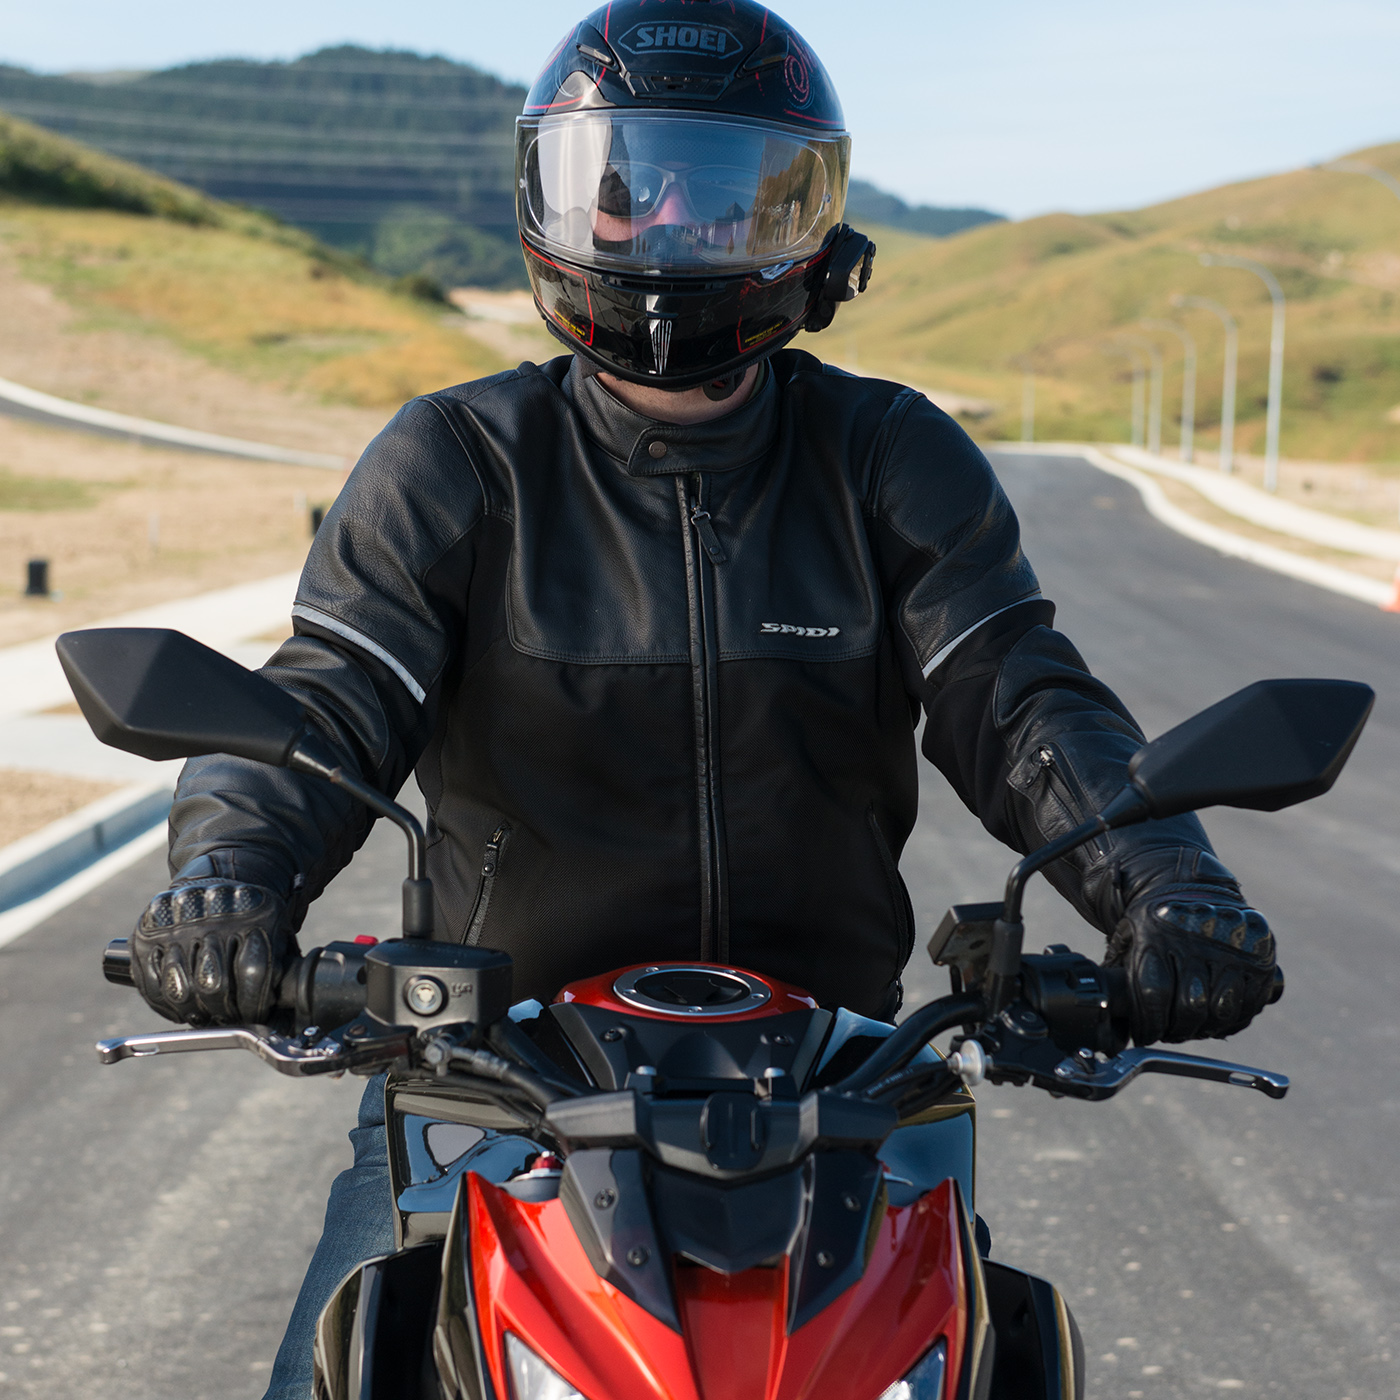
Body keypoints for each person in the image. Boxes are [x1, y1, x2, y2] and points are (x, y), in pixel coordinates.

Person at [123, 5, 1279, 1396]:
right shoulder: (459, 458)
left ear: (804, 222)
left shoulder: (887, 454)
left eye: (721, 190)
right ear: (553, 202)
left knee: (989, 1353)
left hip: (839, 1082)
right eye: (623, 184)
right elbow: (325, 700)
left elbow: (1022, 699)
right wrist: (230, 876)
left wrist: (1168, 886)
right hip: (500, 1070)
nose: (665, 224)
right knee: (347, 1354)